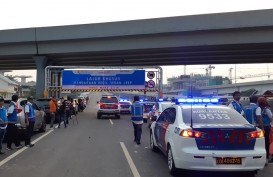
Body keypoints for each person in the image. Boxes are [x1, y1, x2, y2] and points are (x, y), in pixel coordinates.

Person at [256, 97, 273, 163]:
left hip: (259, 127)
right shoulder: (266, 109)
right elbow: (271, 117)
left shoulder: (258, 109)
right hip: (266, 127)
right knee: (266, 142)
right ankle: (266, 157)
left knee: (260, 142)